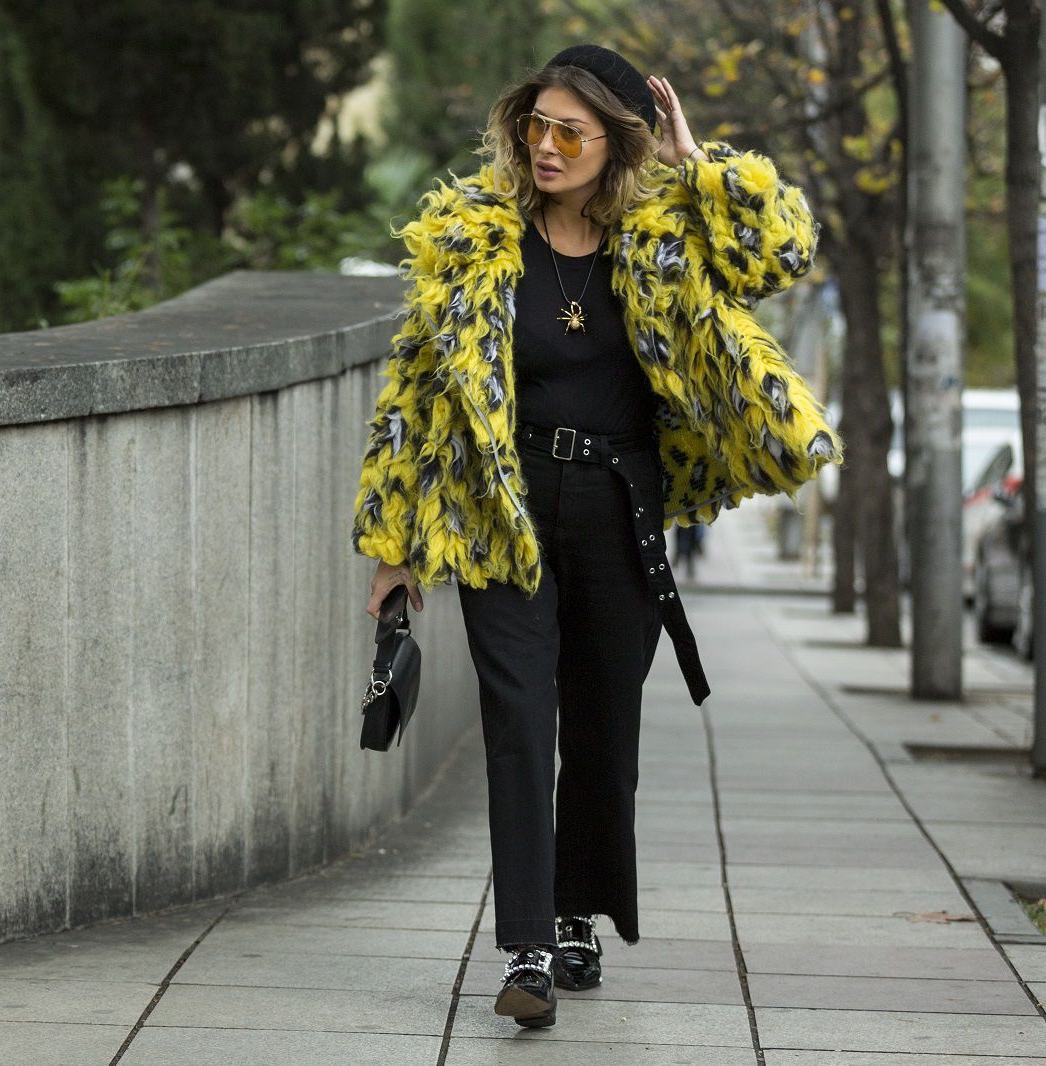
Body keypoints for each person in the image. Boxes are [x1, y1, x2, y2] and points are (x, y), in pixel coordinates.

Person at [349, 44, 844, 1028]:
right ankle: (528, 945)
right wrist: (394, 542)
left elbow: (782, 255)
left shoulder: (663, 234)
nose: (545, 147)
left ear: (618, 144)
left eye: (570, 133)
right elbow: (415, 390)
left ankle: (578, 913)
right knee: (518, 719)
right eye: (535, 125)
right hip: (507, 508)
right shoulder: (474, 239)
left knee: (602, 727)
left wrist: (698, 165)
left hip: (623, 506)